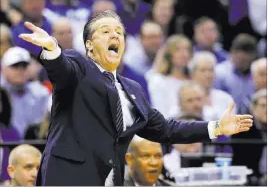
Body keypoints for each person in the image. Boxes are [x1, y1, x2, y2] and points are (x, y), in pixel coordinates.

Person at [19, 10, 253, 186]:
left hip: (112, 180)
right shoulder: (78, 66)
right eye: (106, 31)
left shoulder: (134, 89)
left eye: (119, 32)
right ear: (89, 45)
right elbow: (62, 69)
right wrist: (51, 49)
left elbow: (166, 129)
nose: (115, 36)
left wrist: (216, 127)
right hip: (69, 178)